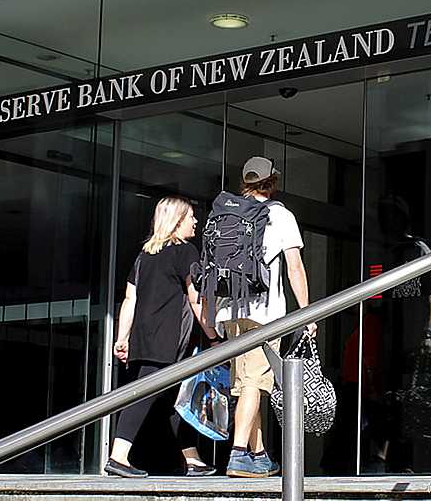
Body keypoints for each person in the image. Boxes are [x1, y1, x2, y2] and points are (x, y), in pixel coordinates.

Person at [104, 196, 221, 478]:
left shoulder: (145, 255)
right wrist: (214, 337)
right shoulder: (185, 252)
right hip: (167, 340)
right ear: (177, 221)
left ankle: (192, 459)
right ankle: (118, 456)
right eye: (191, 216)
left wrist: (123, 337)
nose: (196, 222)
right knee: (143, 396)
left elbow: (129, 298)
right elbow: (196, 299)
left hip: (144, 339)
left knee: (173, 400)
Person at [215, 156, 316, 478]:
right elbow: (294, 267)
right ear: (273, 181)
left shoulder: (226, 212)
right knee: (256, 383)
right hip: (263, 312)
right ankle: (238, 454)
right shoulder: (280, 215)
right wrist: (306, 312)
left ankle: (258, 455)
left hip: (228, 309)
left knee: (246, 382)